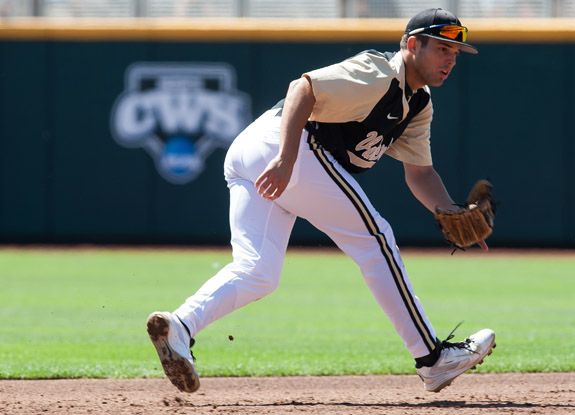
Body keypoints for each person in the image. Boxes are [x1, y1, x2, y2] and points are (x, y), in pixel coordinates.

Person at [146, 7, 495, 394]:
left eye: (455, 53)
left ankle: (180, 325)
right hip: (286, 146)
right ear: (413, 45)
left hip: (254, 149)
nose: (451, 59)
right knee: (376, 239)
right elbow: (303, 88)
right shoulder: (378, 73)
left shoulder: (419, 104)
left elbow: (420, 173)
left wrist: (449, 211)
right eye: (442, 49)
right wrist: (285, 158)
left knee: (258, 271)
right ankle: (433, 359)